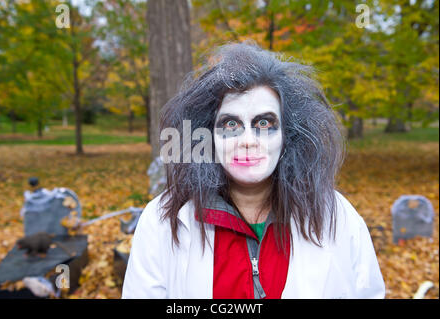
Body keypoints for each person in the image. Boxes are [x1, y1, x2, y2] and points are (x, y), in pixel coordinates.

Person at [122, 41, 385, 299]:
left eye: (263, 122)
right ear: (207, 136)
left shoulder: (337, 217)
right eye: (230, 124)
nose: (248, 140)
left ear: (288, 135)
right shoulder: (162, 222)